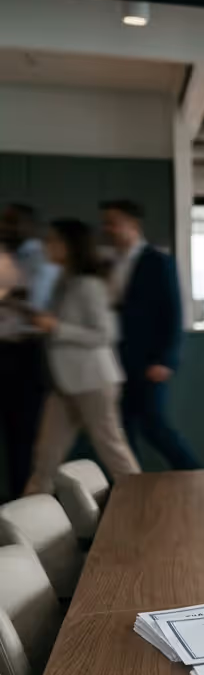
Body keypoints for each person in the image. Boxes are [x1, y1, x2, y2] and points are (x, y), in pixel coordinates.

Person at [24, 219, 141, 495]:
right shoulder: (65, 281)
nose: (46, 246)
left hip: (93, 381)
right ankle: (26, 527)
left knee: (113, 451)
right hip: (65, 383)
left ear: (70, 245)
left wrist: (56, 327)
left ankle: (145, 508)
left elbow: (105, 333)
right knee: (46, 457)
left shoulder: (89, 284)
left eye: (53, 240)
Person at [101, 199, 202, 470]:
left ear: (132, 225)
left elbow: (173, 312)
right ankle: (132, 486)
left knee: (153, 425)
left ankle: (195, 471)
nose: (107, 228)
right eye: (106, 223)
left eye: (113, 222)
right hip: (115, 360)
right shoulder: (110, 264)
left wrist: (167, 359)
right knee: (123, 428)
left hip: (149, 361)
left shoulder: (158, 262)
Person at [0, 204, 56, 499]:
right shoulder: (5, 255)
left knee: (25, 435)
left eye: (12, 222)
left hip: (26, 353)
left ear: (29, 226)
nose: (5, 228)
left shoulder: (41, 258)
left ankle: (25, 505)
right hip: (4, 350)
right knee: (11, 436)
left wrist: (9, 294)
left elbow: (32, 301)